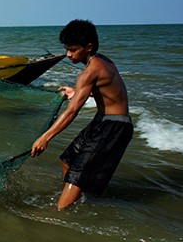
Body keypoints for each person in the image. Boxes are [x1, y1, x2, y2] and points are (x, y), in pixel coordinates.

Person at [31, 19, 133, 210]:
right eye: (66, 49)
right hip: (104, 122)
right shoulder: (102, 61)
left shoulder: (89, 71)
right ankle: (80, 200)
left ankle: (61, 213)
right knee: (67, 160)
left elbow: (72, 112)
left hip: (114, 126)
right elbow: (106, 89)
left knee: (77, 175)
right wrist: (75, 92)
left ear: (89, 47)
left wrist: (45, 137)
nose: (68, 54)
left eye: (73, 50)